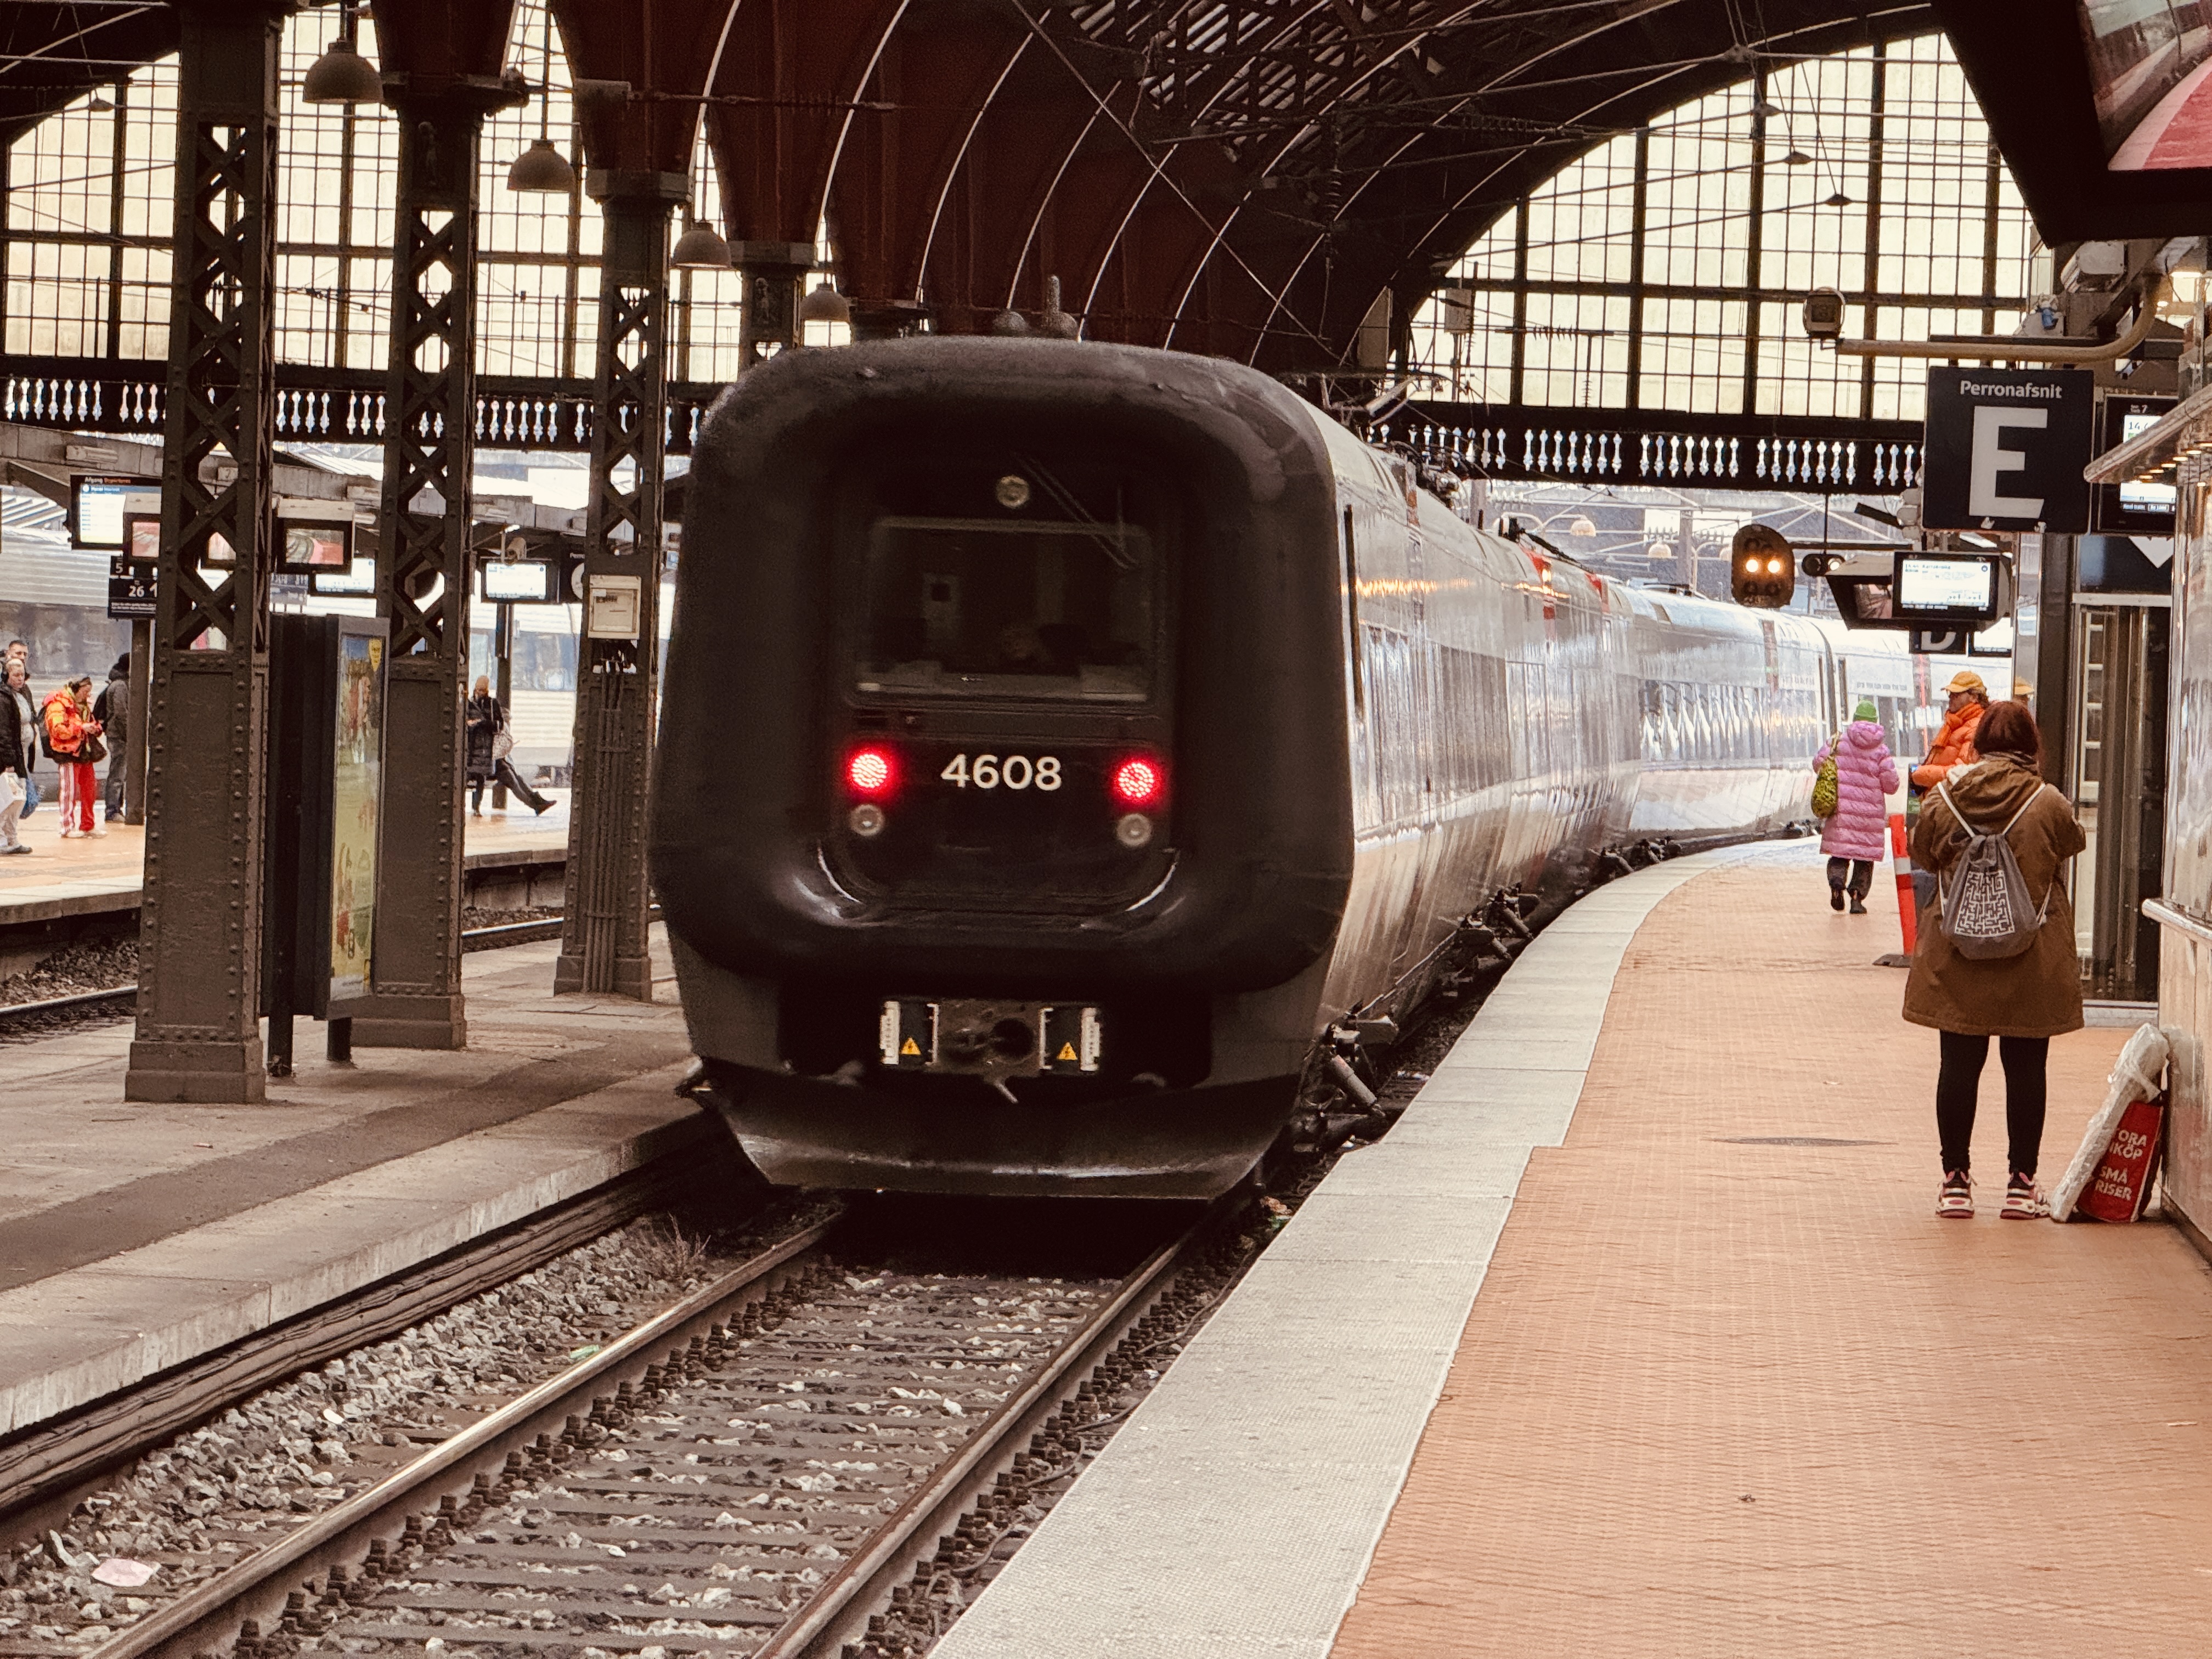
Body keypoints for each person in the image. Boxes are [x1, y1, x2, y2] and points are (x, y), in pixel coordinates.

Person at [1903, 701, 2085, 1221]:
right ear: (2032, 746)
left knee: (1958, 1067)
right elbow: (2073, 841)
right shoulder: (2047, 802)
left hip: (1957, 955)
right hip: (2032, 957)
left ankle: (1955, 1183)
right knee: (2026, 1070)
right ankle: (2021, 1187)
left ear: (1979, 744)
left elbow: (1923, 852)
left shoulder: (1945, 798)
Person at [1813, 698, 1898, 913]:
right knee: (1864, 860)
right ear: (1876, 722)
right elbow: (1891, 785)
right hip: (1870, 817)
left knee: (1839, 853)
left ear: (1854, 720)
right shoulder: (1881, 751)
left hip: (1842, 813)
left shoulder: (1837, 742)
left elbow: (1818, 764)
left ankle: (1836, 884)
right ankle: (1857, 900)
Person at [464, 676, 553, 816]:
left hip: (493, 755)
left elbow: (497, 726)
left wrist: (482, 723)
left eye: (483, 690)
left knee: (516, 777)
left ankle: (537, 801)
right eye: (478, 690)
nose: (480, 692)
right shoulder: (470, 705)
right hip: (487, 757)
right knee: (513, 780)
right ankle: (536, 804)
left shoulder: (492, 704)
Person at [41, 676, 103, 839]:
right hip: (67, 753)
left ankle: (88, 825)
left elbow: (92, 722)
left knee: (90, 788)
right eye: (85, 692)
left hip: (83, 752)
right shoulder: (58, 704)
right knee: (69, 791)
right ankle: (67, 827)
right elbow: (57, 729)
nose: (88, 696)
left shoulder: (83, 705)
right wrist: (81, 728)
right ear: (76, 689)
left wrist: (96, 728)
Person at [1911, 669, 1988, 791]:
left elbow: (1962, 772)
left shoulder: (1976, 727)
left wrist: (1921, 774)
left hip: (1952, 797)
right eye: (1951, 693)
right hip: (1943, 794)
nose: (1951, 697)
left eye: (1957, 694)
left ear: (1974, 697)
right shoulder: (1955, 723)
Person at [94, 653, 128, 821]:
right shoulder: (121, 685)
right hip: (120, 736)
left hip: (117, 734)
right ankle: (113, 809)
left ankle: (115, 808)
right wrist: (131, 734)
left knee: (119, 771)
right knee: (118, 773)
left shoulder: (118, 683)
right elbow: (121, 713)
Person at [0, 657, 28, 855]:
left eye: (23, 675)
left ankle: (12, 837)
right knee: (7, 800)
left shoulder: (22, 694)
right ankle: (4, 839)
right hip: (8, 758)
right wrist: (9, 761)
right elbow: (4, 731)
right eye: (16, 675)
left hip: (19, 753)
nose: (20, 679)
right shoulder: (3, 698)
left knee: (18, 799)